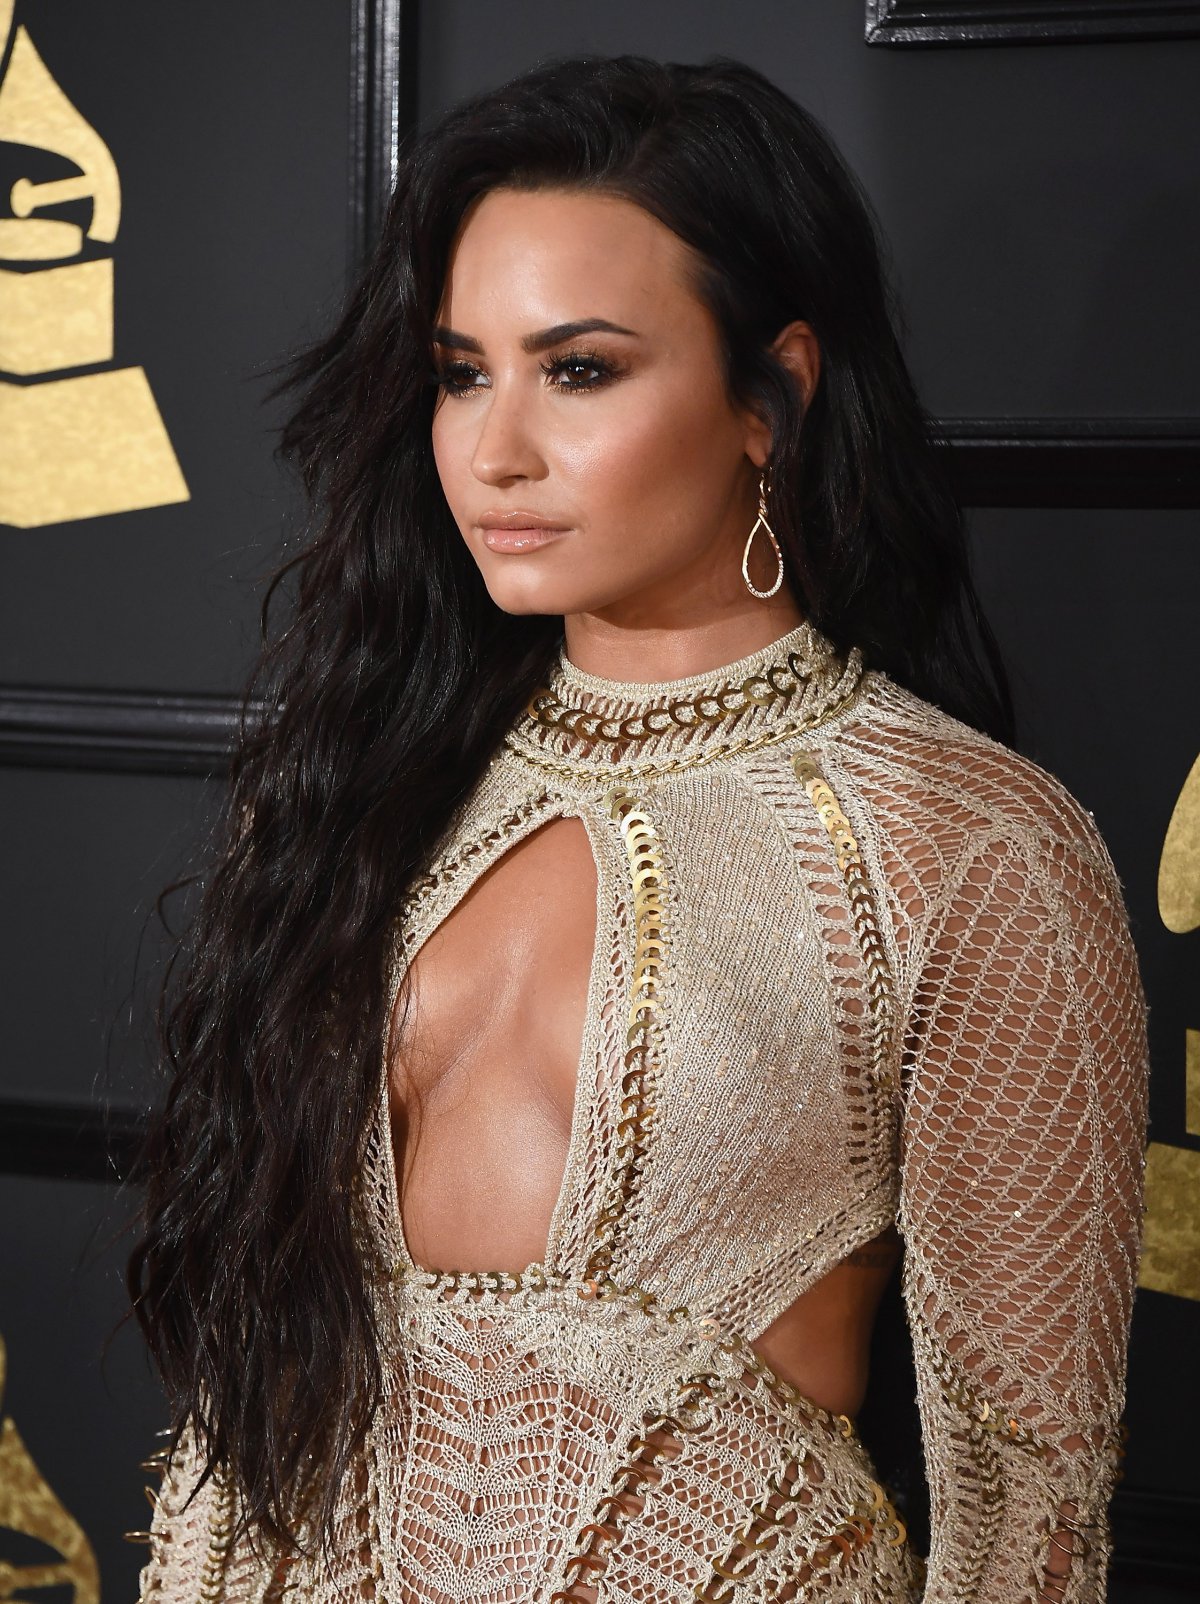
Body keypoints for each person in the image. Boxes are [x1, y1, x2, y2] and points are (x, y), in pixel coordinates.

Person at [127, 52, 1150, 1604]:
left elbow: (1029, 1503)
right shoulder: (354, 789)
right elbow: (247, 1398)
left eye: (580, 371)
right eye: (462, 372)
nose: (495, 449)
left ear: (770, 397)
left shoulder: (966, 845)